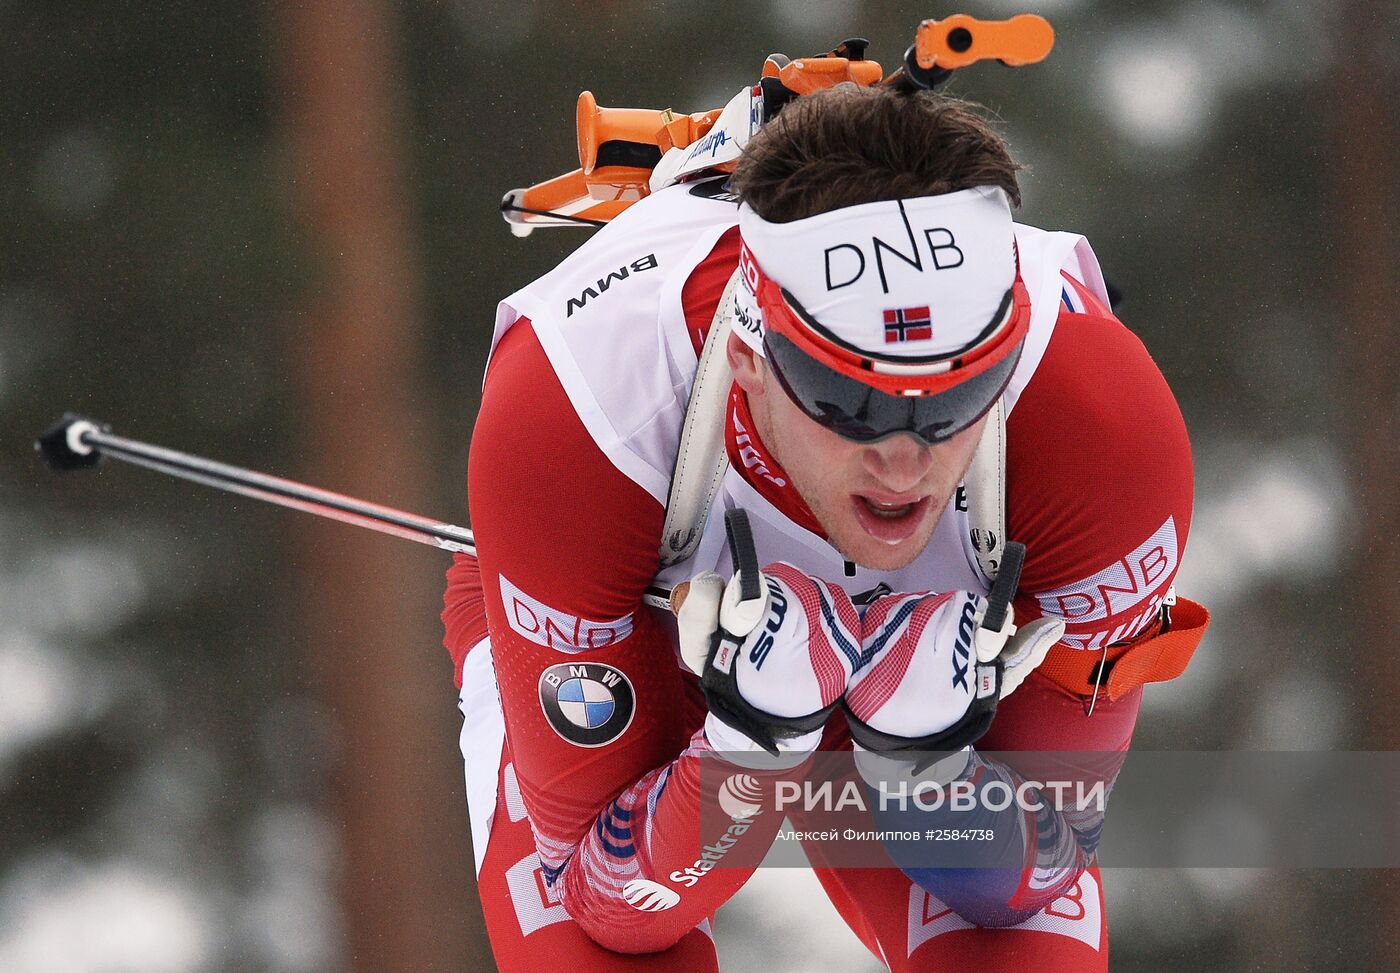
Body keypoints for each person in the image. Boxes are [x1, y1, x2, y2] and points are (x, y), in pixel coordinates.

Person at [442, 83, 1206, 971]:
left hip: (936, 680)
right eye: (848, 402)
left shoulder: (1104, 432)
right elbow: (608, 905)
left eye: (955, 400)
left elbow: (1039, 873)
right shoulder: (575, 412)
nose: (903, 461)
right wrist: (752, 746)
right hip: (639, 622)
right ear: (749, 358)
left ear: (1009, 347)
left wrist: (926, 770)